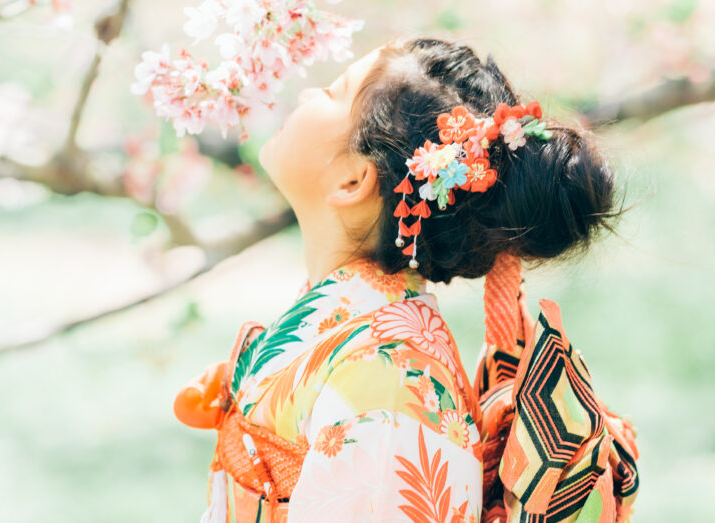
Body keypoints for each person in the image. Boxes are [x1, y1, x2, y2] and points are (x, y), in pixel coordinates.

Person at [173, 36, 639, 522]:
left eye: (333, 93)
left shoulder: (388, 382)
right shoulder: (360, 343)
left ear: (352, 181)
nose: (309, 93)